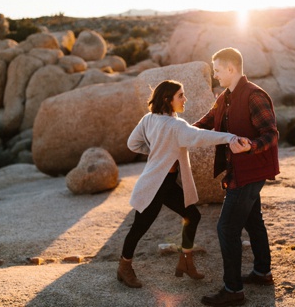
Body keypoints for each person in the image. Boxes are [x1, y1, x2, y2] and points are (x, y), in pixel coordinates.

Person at [119, 80, 251, 288]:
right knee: (139, 227)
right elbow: (200, 136)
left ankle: (185, 261)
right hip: (155, 185)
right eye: (180, 95)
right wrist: (230, 137)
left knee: (192, 215)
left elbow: (132, 143)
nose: (185, 99)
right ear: (167, 99)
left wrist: (157, 152)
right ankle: (124, 268)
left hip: (166, 183)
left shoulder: (149, 119)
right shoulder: (175, 126)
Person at [193, 47, 281, 307]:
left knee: (227, 227)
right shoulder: (224, 97)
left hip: (250, 172)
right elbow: (207, 121)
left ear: (231, 69)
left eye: (218, 70)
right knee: (253, 221)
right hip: (238, 171)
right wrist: (180, 132)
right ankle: (262, 273)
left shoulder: (254, 96)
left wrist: (250, 146)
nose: (216, 76)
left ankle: (233, 290)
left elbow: (271, 134)